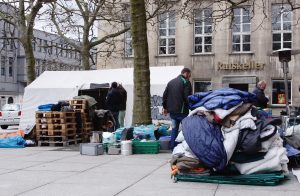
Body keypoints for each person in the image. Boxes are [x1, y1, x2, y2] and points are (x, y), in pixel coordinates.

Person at [162, 67, 192, 150]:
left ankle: (172, 147)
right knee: (185, 130)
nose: (190, 76)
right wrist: (192, 107)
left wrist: (165, 108)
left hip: (172, 113)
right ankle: (185, 147)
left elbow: (165, 96)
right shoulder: (186, 82)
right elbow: (187, 97)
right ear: (186, 73)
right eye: (190, 74)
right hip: (182, 112)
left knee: (174, 129)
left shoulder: (171, 82)